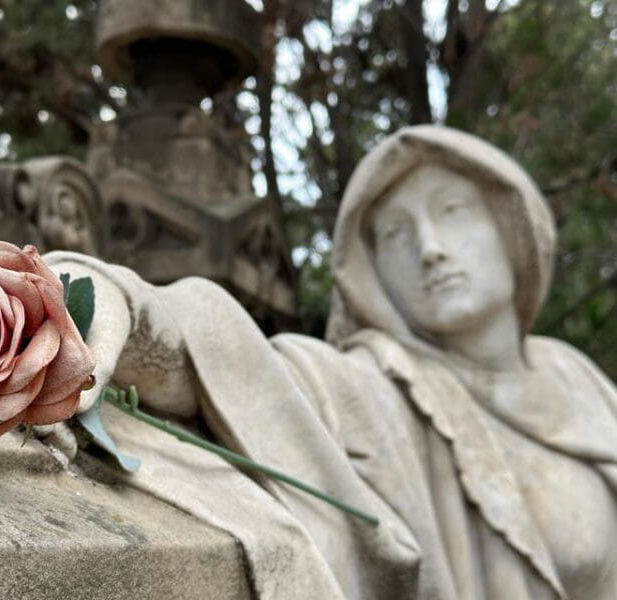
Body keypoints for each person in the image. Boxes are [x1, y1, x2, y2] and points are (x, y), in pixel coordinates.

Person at [45, 125, 617, 600]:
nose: (430, 248)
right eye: (395, 232)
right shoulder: (376, 386)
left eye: (453, 210)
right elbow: (245, 370)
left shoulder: (579, 379)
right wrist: (108, 300)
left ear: (513, 228)